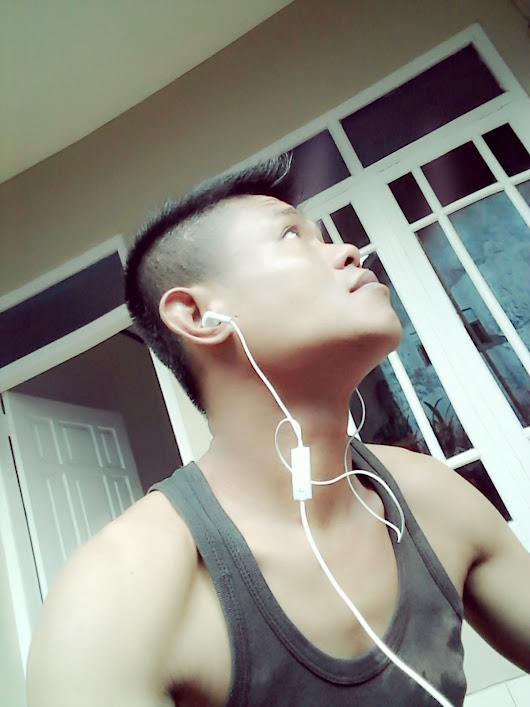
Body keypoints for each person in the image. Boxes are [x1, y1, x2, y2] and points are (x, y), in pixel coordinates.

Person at [27, 157, 530, 706]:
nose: (349, 251)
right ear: (197, 315)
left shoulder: (432, 499)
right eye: (291, 235)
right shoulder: (118, 597)